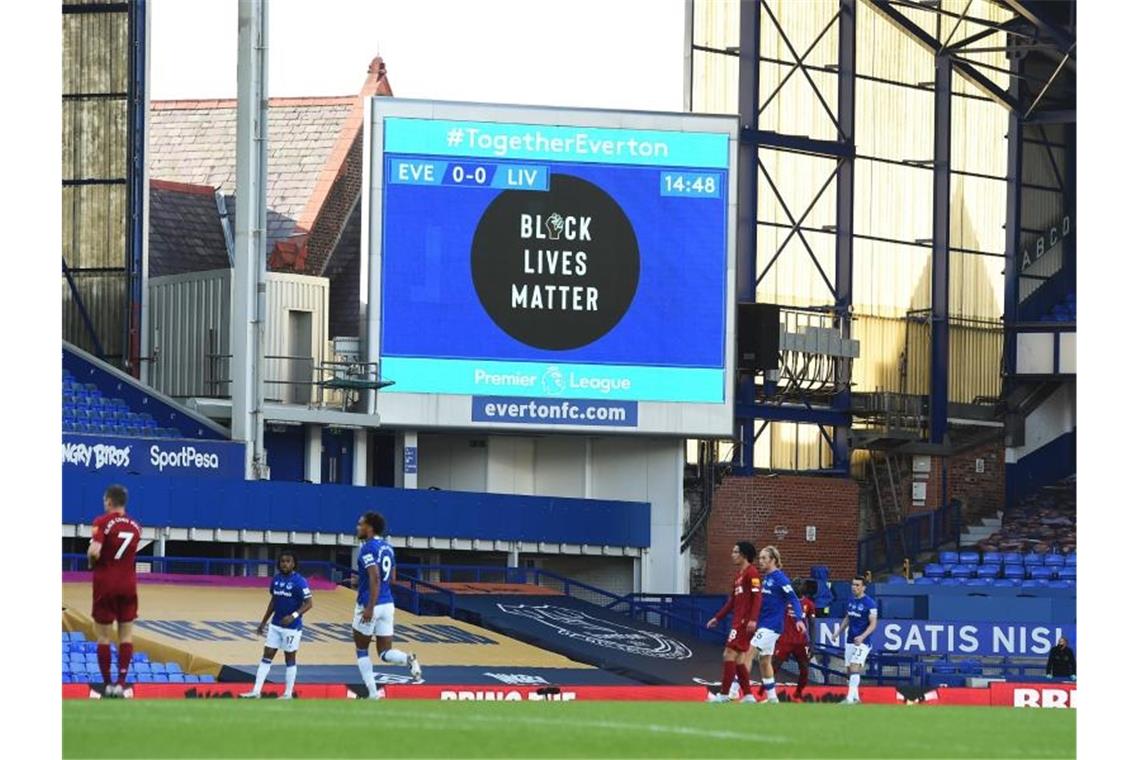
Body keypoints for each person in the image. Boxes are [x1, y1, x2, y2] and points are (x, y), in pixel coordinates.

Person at [353, 511, 421, 698]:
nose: (358, 527)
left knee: (361, 649)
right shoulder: (389, 548)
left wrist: (369, 606)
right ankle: (408, 659)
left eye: (361, 524)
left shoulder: (367, 548)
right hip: (388, 603)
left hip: (371, 603)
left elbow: (375, 577)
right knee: (384, 652)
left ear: (370, 527)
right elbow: (391, 578)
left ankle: (373, 694)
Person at [86, 484, 142, 698]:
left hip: (105, 585)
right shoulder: (136, 526)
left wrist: (91, 561)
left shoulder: (101, 522)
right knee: (126, 636)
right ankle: (121, 683)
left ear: (109, 501)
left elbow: (95, 551)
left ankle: (108, 684)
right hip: (128, 585)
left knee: (103, 637)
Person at [240, 551, 313, 699]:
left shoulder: (300, 581)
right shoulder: (276, 579)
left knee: (290, 658)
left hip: (292, 627)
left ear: (294, 564)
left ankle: (287, 693)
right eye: (282, 561)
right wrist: (263, 622)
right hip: (275, 625)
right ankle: (256, 691)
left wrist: (293, 616)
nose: (285, 564)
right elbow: (274, 601)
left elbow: (309, 603)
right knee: (267, 655)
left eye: (288, 561)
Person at [704, 541, 763, 702]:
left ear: (744, 554)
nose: (732, 555)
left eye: (735, 552)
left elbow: (758, 597)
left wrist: (752, 620)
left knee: (728, 654)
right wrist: (717, 617)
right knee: (738, 660)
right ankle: (749, 696)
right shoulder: (738, 576)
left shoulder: (752, 573)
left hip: (744, 623)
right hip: (738, 621)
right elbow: (732, 601)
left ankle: (723, 695)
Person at [747, 546, 806, 704]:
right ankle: (773, 698)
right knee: (764, 661)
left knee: (748, 653)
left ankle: (737, 692)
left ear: (773, 560)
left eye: (764, 558)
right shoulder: (767, 578)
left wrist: (799, 619)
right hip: (764, 624)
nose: (761, 561)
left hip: (771, 626)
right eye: (760, 558)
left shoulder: (780, 578)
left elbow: (793, 598)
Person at [772, 579, 817, 701]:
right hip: (784, 640)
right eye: (795, 585)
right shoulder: (784, 601)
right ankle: (767, 691)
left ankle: (798, 692)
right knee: (774, 666)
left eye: (800, 585)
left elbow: (812, 625)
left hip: (801, 642)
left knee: (804, 668)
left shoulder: (809, 604)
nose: (797, 587)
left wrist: (812, 645)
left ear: (804, 588)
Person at [837, 575, 878, 704]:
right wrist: (838, 632)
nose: (854, 587)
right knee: (849, 670)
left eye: (857, 585)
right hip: (850, 639)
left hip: (863, 642)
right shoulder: (850, 600)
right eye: (853, 584)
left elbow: (873, 624)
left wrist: (862, 637)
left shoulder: (870, 603)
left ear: (864, 587)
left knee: (855, 667)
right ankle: (856, 698)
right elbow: (848, 618)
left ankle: (849, 699)